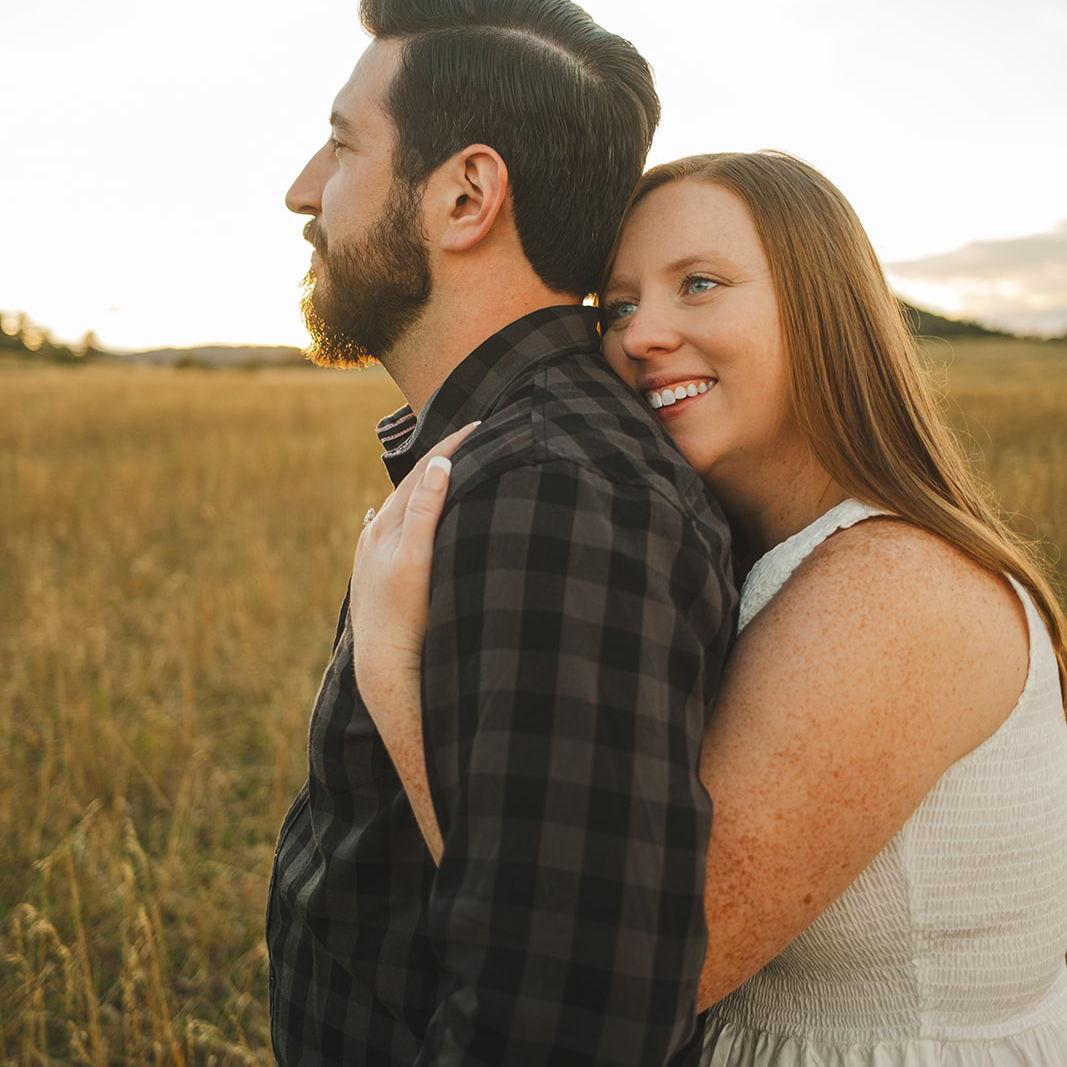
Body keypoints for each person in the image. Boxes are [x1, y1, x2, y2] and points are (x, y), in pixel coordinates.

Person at [350, 151, 1067, 1065]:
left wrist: (391, 670)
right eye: (615, 307)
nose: (640, 335)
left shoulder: (896, 589)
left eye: (698, 284)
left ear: (820, 309)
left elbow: (610, 977)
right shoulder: (749, 550)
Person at [266, 2, 737, 1064]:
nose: (302, 188)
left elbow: (568, 1021)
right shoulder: (505, 459)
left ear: (465, 196)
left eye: (342, 145)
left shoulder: (552, 491)